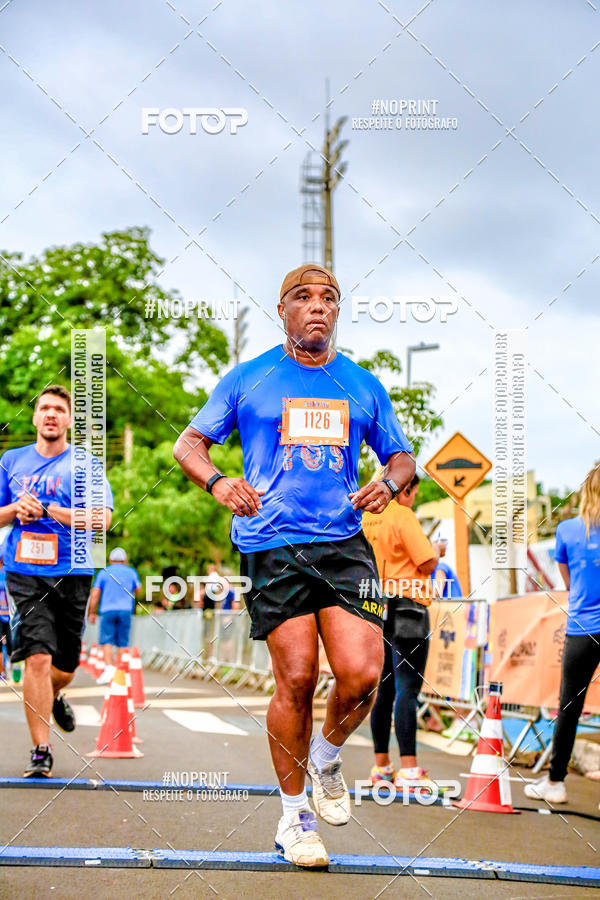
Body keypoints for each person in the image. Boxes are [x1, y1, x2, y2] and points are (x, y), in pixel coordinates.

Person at [174, 263, 415, 867]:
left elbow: (402, 457)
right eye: (304, 297)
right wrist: (218, 482)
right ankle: (294, 818)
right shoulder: (249, 378)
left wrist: (388, 483)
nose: (318, 306)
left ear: (337, 312)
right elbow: (189, 444)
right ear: (282, 310)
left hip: (344, 542)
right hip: (271, 542)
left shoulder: (362, 384)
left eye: (328, 298)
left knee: (362, 673)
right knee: (299, 678)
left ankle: (327, 759)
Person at [0, 385, 113, 777]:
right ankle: (41, 750)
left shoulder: (85, 465)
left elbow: (102, 519)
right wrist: (16, 509)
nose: (51, 414)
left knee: (64, 666)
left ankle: (56, 693)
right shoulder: (11, 461)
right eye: (44, 408)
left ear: (68, 420)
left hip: (73, 571)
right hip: (24, 570)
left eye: (59, 409)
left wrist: (49, 509)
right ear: (35, 417)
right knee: (37, 657)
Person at [525, 463, 600, 804]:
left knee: (569, 706)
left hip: (583, 626)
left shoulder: (568, 530)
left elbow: (568, 582)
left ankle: (555, 782)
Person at [363, 469, 442, 791]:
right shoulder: (402, 515)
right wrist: (437, 551)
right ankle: (409, 770)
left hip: (374, 606)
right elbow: (426, 561)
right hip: (408, 606)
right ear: (405, 488)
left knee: (384, 690)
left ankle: (381, 767)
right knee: (407, 689)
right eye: (414, 493)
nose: (413, 500)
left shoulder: (366, 516)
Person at [88, 547, 141, 683]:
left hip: (107, 610)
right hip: (125, 610)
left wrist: (92, 612)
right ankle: (121, 670)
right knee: (123, 641)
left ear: (110, 560)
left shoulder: (104, 572)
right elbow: (139, 590)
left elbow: (95, 594)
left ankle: (109, 669)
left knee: (106, 640)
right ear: (125, 560)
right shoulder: (131, 572)